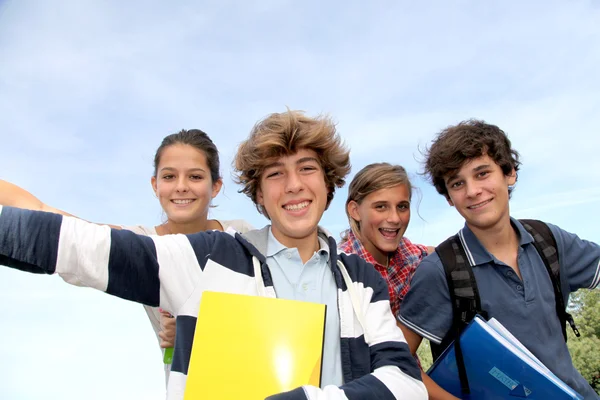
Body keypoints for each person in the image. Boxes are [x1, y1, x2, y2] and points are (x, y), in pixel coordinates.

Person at [0, 110, 427, 400]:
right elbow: (85, 247)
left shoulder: (359, 280)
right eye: (276, 174)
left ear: (329, 184)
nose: (294, 185)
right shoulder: (212, 258)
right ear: (258, 194)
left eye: (307, 169)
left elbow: (406, 383)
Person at [0, 129, 254, 384]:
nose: (181, 186)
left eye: (195, 176)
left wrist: (199, 334)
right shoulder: (142, 245)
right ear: (155, 185)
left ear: (216, 185)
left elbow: (279, 308)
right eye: (169, 176)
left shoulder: (242, 236)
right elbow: (47, 215)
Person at [397, 119, 600, 399]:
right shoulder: (440, 270)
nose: (472, 191)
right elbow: (394, 360)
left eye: (482, 174)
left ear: (509, 173)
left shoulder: (548, 240)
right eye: (457, 183)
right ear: (448, 198)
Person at [338, 162, 433, 321]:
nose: (395, 218)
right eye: (381, 207)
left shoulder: (406, 252)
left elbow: (435, 254)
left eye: (402, 207)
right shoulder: (342, 270)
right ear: (355, 211)